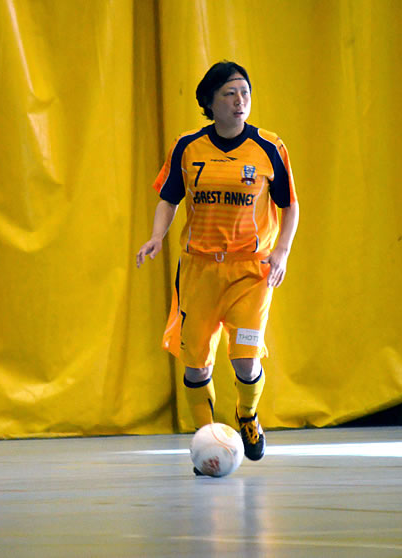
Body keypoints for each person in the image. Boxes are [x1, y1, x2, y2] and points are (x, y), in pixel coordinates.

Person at [136, 61, 298, 469]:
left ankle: (247, 415)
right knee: (196, 366)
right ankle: (207, 442)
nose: (240, 100)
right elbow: (168, 198)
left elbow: (289, 205)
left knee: (245, 359)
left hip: (251, 271)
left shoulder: (269, 147)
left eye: (245, 92)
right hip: (200, 270)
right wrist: (156, 236)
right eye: (229, 93)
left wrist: (281, 251)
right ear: (209, 102)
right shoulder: (187, 147)